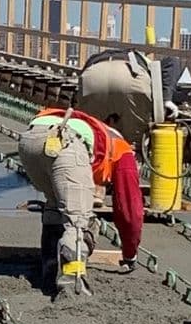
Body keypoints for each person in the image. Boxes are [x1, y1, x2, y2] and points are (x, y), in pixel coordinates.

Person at [15, 106, 144, 297]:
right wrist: (130, 253)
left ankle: (50, 264)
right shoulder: (125, 154)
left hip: (30, 140)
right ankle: (72, 286)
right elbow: (130, 211)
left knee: (55, 204)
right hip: (66, 142)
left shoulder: (99, 132)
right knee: (78, 222)